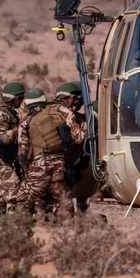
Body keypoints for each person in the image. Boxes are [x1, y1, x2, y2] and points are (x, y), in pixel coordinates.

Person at [16, 87, 85, 218]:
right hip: (59, 164)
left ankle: (20, 226)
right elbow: (79, 138)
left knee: (24, 199)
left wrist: (27, 170)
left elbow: (22, 154)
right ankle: (67, 228)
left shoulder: (26, 121)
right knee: (63, 200)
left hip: (39, 164)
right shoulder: (60, 112)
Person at [0, 81, 25, 218]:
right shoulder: (1, 115)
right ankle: (13, 222)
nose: (22, 101)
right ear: (11, 99)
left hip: (2, 160)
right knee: (14, 188)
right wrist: (18, 129)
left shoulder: (11, 114)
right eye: (20, 98)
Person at [54, 82, 90, 213]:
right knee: (63, 195)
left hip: (39, 160)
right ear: (66, 97)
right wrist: (88, 131)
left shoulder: (47, 110)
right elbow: (79, 138)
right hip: (60, 160)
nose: (75, 102)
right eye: (74, 98)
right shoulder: (67, 113)